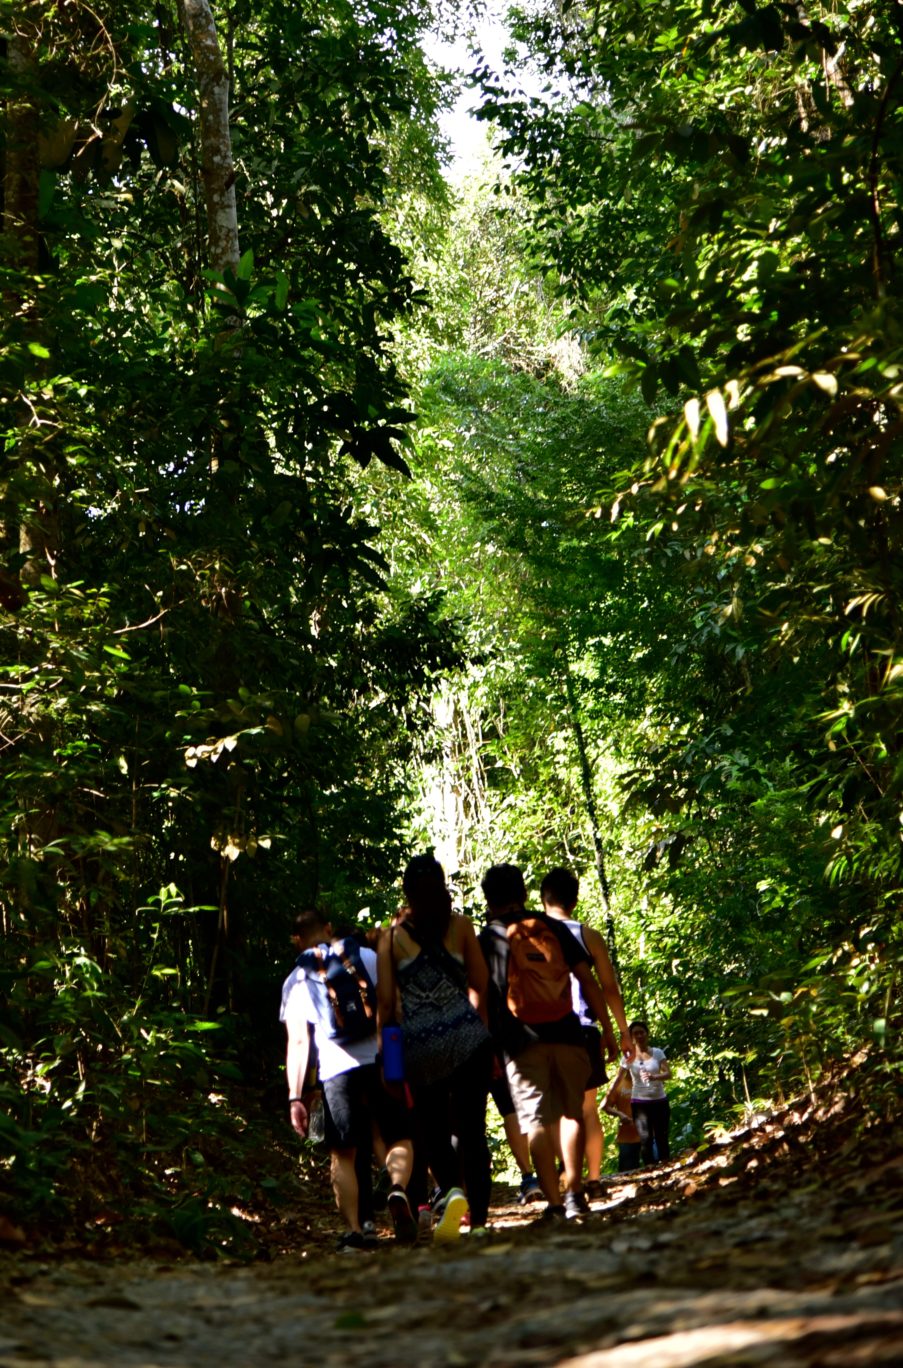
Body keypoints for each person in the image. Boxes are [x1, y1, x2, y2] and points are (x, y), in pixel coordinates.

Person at [478, 863, 634, 1222]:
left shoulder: (487, 938)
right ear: (523, 892)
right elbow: (589, 980)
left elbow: (481, 996)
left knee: (535, 1119)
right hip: (568, 1032)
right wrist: (610, 1030)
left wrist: (487, 1049)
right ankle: (576, 1192)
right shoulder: (552, 928)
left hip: (520, 1042)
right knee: (571, 1112)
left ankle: (553, 1202)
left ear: (489, 899)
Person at [282, 907, 417, 1252]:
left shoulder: (296, 980)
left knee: (343, 1153)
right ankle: (398, 1187)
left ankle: (355, 1232)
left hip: (335, 1071)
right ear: (328, 929)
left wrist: (296, 1096)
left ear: (297, 940)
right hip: (379, 1060)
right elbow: (394, 1007)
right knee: (398, 1135)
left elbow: (299, 1042)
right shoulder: (368, 957)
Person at [377, 854, 494, 1242]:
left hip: (420, 1048)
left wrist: (390, 1067)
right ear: (442, 886)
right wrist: (479, 1035)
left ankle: (453, 1190)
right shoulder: (460, 926)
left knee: (433, 1131)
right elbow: (480, 983)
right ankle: (477, 1222)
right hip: (467, 1039)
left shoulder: (390, 940)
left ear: (406, 893)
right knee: (473, 1132)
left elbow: (387, 1008)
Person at [540, 867, 631, 1199]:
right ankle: (592, 1179)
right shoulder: (588, 936)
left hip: (542, 1033)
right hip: (584, 1030)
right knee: (587, 1110)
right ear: (575, 900)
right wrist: (621, 1031)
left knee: (550, 1110)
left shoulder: (529, 933)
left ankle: (564, 1176)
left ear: (542, 897)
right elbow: (608, 987)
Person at [624, 1020, 671, 1166]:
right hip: (639, 1103)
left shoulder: (657, 1052)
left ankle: (667, 1167)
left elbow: (669, 1074)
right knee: (646, 1139)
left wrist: (654, 1077)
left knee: (662, 1136)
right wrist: (608, 1097)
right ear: (631, 1037)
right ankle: (650, 1171)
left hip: (659, 1101)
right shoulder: (628, 1056)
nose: (639, 1036)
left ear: (647, 1034)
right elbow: (620, 1076)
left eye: (641, 1032)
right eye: (635, 1033)